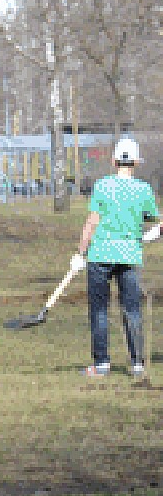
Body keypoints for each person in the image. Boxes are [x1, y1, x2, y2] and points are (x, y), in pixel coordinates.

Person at [76, 136, 159, 379]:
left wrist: (80, 251)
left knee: (99, 310)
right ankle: (137, 364)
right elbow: (153, 218)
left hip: (100, 254)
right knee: (132, 309)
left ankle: (101, 364)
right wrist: (153, 232)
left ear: (114, 161)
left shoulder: (102, 185)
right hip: (130, 255)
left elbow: (92, 221)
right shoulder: (143, 189)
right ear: (136, 162)